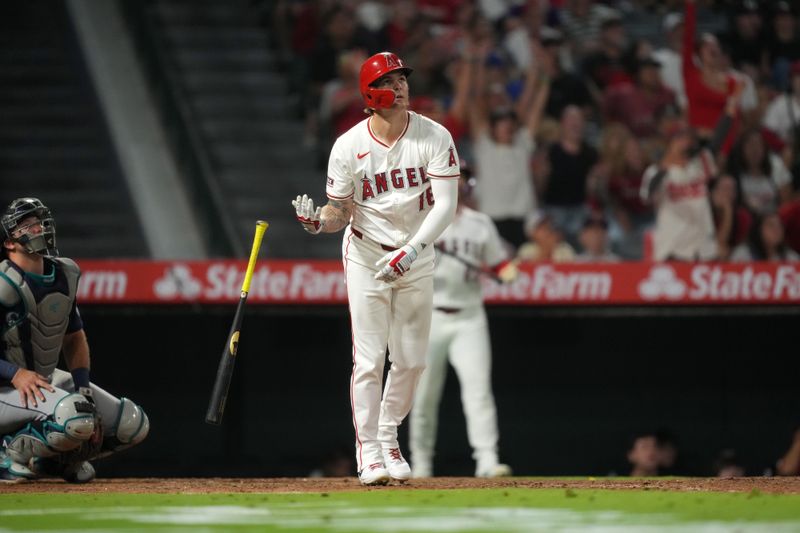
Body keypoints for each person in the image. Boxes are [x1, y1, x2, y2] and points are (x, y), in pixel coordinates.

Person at [291, 51, 460, 486]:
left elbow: (446, 206)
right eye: (391, 79)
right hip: (366, 254)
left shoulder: (434, 136)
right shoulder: (348, 146)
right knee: (369, 359)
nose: (401, 85)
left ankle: (388, 436)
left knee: (412, 361)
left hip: (415, 254)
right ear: (371, 93)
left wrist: (413, 250)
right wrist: (318, 223)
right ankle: (368, 450)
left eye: (403, 77)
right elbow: (340, 211)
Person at [0, 198, 149, 483]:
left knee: (132, 424)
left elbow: (74, 337)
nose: (39, 227)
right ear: (9, 242)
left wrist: (83, 387)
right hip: (6, 388)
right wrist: (15, 373)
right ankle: (7, 452)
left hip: (42, 382)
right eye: (27, 224)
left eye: (40, 221)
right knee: (76, 416)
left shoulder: (65, 274)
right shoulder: (2, 284)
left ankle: (54, 460)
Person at [409, 162, 517, 479]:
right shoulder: (421, 222)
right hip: (430, 315)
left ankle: (487, 460)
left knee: (478, 391)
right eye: (451, 178)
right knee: (424, 394)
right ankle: (422, 463)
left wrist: (507, 273)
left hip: (470, 315)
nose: (457, 184)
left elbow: (500, 265)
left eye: (462, 179)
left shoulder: (480, 224)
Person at [640, 84, 742, 261]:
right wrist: (664, 168)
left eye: (688, 138)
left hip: (703, 249)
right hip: (673, 250)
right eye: (680, 138)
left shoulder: (699, 164)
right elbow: (647, 195)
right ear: (670, 143)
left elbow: (718, 138)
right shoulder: (656, 171)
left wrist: (732, 104)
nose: (686, 143)